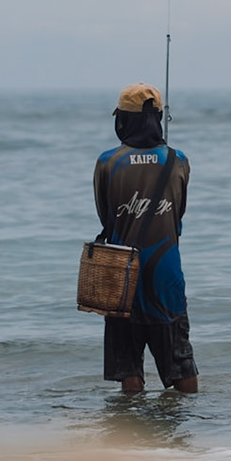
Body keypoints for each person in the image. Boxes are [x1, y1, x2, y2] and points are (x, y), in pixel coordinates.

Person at [94, 83, 197, 394]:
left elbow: (106, 217)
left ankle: (132, 436)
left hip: (121, 277)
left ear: (123, 120)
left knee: (129, 370)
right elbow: (178, 214)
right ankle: (188, 429)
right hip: (166, 275)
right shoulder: (177, 159)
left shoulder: (108, 162)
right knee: (181, 365)